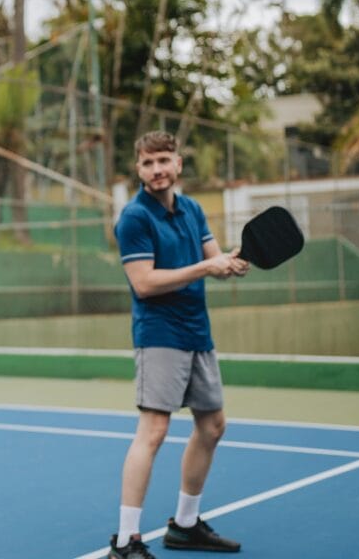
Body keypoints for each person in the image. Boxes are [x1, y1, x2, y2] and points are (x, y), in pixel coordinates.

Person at [108, 131, 248, 559]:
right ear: (138, 168)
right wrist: (208, 265)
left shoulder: (192, 210)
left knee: (212, 425)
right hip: (160, 334)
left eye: (164, 160)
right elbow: (144, 283)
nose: (157, 170)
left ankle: (185, 526)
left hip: (196, 332)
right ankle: (125, 541)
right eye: (148, 163)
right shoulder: (134, 218)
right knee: (153, 431)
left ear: (178, 163)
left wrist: (229, 262)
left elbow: (216, 261)